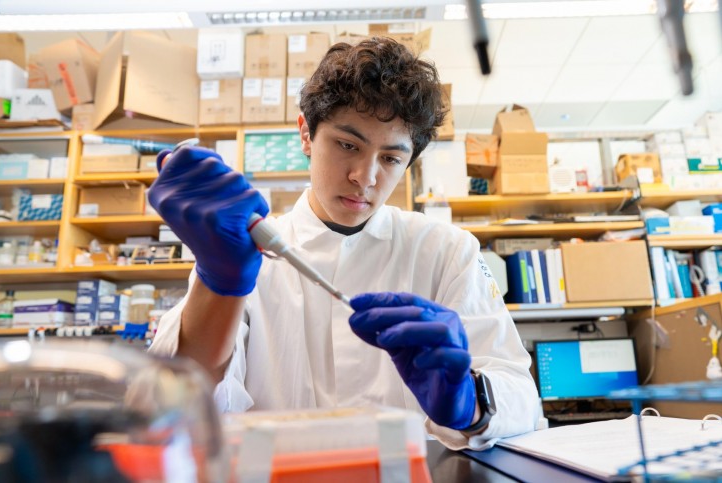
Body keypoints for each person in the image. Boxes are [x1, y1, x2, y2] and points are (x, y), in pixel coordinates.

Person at [148, 36, 539, 449]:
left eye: (390, 158)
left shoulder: (446, 251)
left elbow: (522, 399)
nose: (365, 176)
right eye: (348, 145)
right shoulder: (241, 253)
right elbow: (165, 405)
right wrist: (219, 283)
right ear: (305, 134)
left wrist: (467, 402)